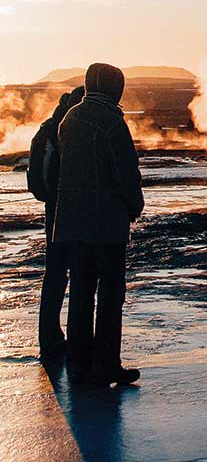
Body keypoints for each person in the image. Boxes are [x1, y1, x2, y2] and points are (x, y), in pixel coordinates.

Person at [53, 63, 145, 386]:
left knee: (80, 291)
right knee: (109, 294)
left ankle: (78, 363)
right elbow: (125, 173)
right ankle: (105, 364)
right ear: (113, 87)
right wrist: (136, 205)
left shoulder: (69, 119)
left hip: (73, 224)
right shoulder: (111, 123)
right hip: (106, 225)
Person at [27, 85, 85, 360]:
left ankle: (49, 338)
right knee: (82, 274)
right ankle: (77, 341)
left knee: (55, 274)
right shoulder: (69, 129)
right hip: (73, 209)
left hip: (54, 210)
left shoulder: (49, 127)